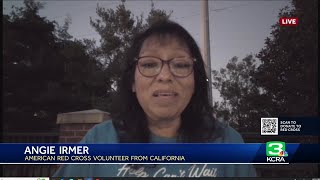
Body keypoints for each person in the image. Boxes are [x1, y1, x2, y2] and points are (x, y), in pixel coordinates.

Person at [53, 20, 256, 177]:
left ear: (196, 82)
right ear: (132, 82)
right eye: (149, 64)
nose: (165, 76)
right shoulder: (98, 142)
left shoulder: (228, 143)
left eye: (180, 64)